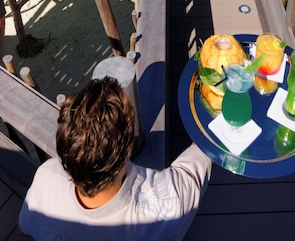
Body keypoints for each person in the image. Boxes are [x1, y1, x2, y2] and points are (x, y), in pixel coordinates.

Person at [18, 77, 212, 240]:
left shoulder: (47, 178)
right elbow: (202, 156)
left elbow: (24, 228)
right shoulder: (168, 203)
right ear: (128, 150)